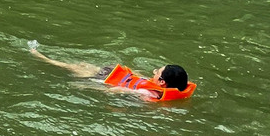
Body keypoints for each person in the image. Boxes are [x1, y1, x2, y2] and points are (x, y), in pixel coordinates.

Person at [28, 41, 195, 101]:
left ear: (162, 82)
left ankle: (43, 58)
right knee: (82, 64)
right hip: (112, 75)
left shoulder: (151, 94)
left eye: (157, 72)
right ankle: (46, 58)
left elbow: (117, 90)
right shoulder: (159, 89)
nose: (154, 71)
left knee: (75, 67)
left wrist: (86, 87)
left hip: (105, 79)